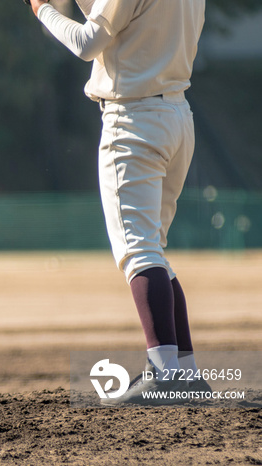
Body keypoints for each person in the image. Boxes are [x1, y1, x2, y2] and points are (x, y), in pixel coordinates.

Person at [26, 0, 208, 405]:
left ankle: (166, 375)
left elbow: (88, 42)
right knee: (153, 250)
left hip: (133, 119)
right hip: (177, 114)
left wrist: (42, 10)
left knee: (139, 252)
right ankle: (186, 373)